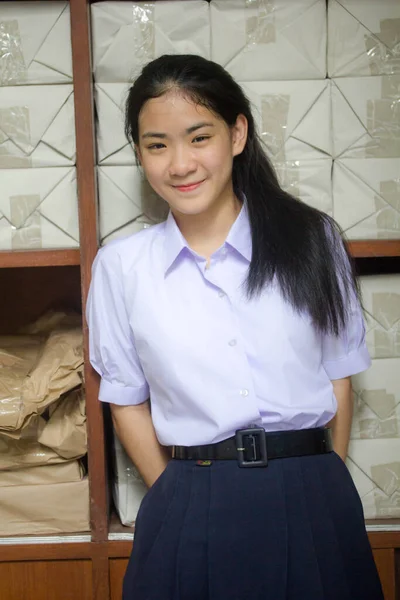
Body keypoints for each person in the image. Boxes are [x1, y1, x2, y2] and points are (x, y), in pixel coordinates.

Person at [86, 54, 384, 600]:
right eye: (157, 145)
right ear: (139, 154)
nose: (180, 164)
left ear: (238, 133)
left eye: (199, 137)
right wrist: (175, 492)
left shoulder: (314, 240)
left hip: (312, 489)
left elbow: (338, 373)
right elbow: (125, 399)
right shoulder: (120, 267)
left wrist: (324, 481)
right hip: (190, 492)